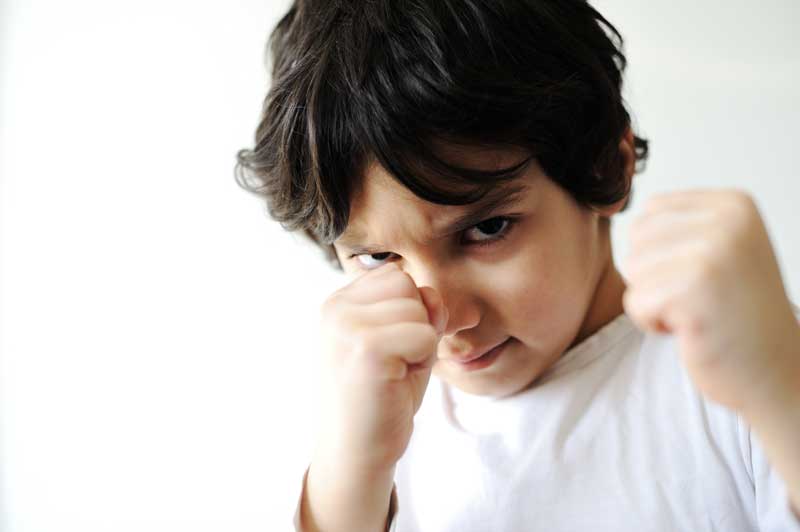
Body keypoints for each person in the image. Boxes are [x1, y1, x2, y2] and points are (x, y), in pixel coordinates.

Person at [235, 1, 800, 530]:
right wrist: (350, 477)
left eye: (486, 229)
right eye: (379, 257)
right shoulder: (366, 431)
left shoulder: (737, 373)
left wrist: (780, 385)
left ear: (608, 166)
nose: (445, 320)